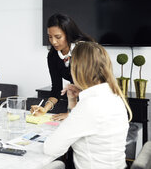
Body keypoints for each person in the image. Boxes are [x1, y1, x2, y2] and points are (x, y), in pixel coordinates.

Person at [44, 41, 132, 169]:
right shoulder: (114, 97)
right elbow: (82, 125)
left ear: (77, 69)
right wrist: (73, 101)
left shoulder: (90, 106)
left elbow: (51, 148)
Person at [31, 13, 92, 120]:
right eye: (50, 37)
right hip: (77, 100)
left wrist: (72, 114)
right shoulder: (53, 55)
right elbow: (56, 88)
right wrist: (45, 109)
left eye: (58, 37)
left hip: (95, 101)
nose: (53, 42)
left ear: (68, 34)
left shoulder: (84, 50)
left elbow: (89, 89)